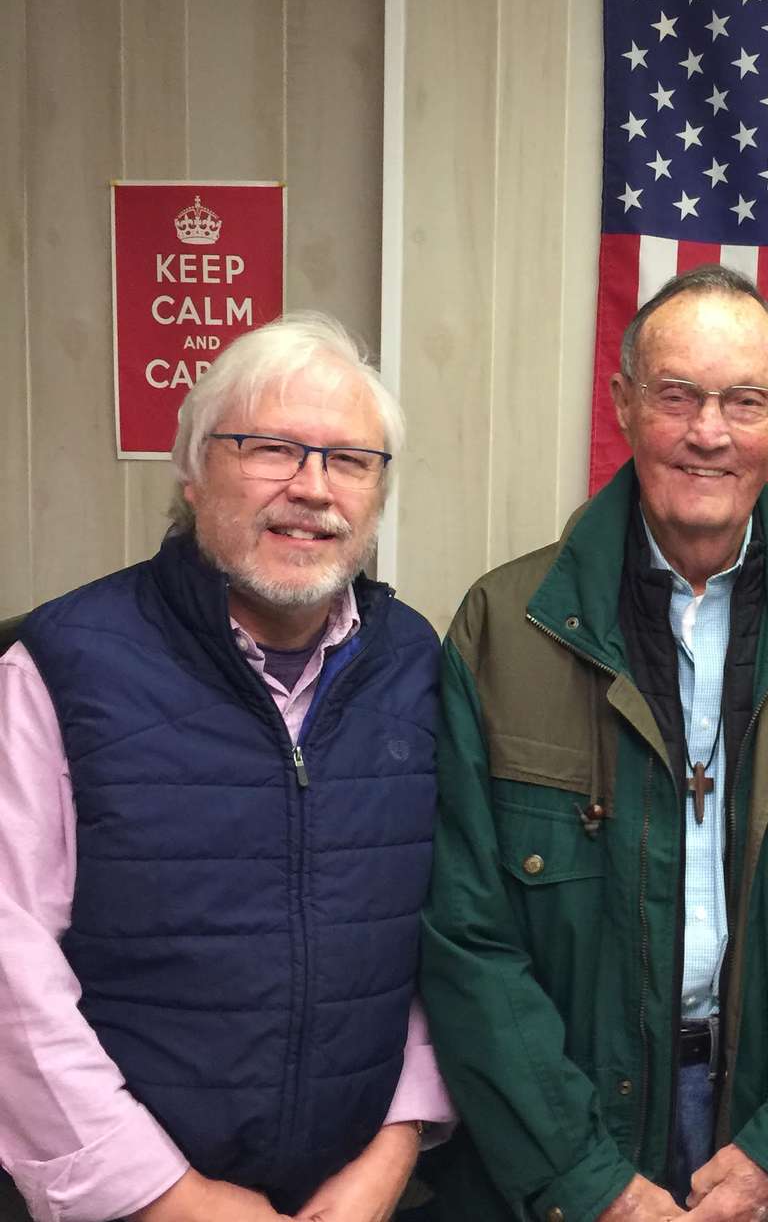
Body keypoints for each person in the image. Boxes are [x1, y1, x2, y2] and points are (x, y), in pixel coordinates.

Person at [420, 265, 768, 1221]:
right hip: (569, 1140)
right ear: (623, 403)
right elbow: (466, 940)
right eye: (678, 396)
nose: (710, 432)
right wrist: (588, 1181)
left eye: (745, 400)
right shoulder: (502, 631)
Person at [0, 312, 454, 1222]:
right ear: (193, 471)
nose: (313, 489)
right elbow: (12, 969)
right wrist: (168, 1197)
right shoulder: (59, 666)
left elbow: (439, 934)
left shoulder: (414, 663)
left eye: (349, 460)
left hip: (358, 1197)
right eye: (272, 449)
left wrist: (396, 1147)